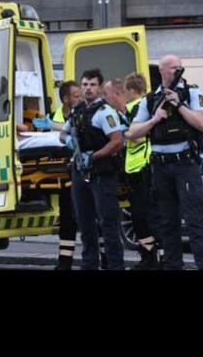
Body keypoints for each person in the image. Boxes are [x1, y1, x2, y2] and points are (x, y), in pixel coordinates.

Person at [126, 55, 203, 270]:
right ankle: (173, 265)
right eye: (174, 67)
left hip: (185, 164)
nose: (178, 71)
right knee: (167, 223)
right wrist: (155, 119)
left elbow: (202, 123)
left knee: (194, 221)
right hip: (160, 167)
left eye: (180, 67)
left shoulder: (191, 92)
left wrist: (179, 104)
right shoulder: (150, 99)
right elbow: (132, 133)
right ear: (163, 71)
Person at [59, 69, 125, 270]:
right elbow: (63, 134)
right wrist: (69, 140)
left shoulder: (105, 113)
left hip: (101, 173)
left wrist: (93, 156)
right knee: (84, 222)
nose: (88, 89)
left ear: (99, 88)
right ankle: (89, 264)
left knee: (108, 223)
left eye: (92, 85)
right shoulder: (78, 112)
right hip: (80, 171)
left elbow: (117, 142)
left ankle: (115, 265)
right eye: (85, 85)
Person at [103, 76, 163, 270]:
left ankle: (151, 259)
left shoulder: (137, 107)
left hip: (141, 168)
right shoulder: (142, 107)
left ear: (130, 90)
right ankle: (150, 258)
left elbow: (137, 137)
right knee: (141, 217)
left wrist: (125, 132)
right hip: (138, 167)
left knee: (142, 217)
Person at [32, 81, 81, 270]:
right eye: (76, 96)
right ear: (65, 99)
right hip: (62, 177)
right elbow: (39, 141)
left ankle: (104, 259)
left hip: (83, 173)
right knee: (67, 220)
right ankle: (64, 263)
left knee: (93, 220)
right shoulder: (52, 117)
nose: (80, 99)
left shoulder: (83, 113)